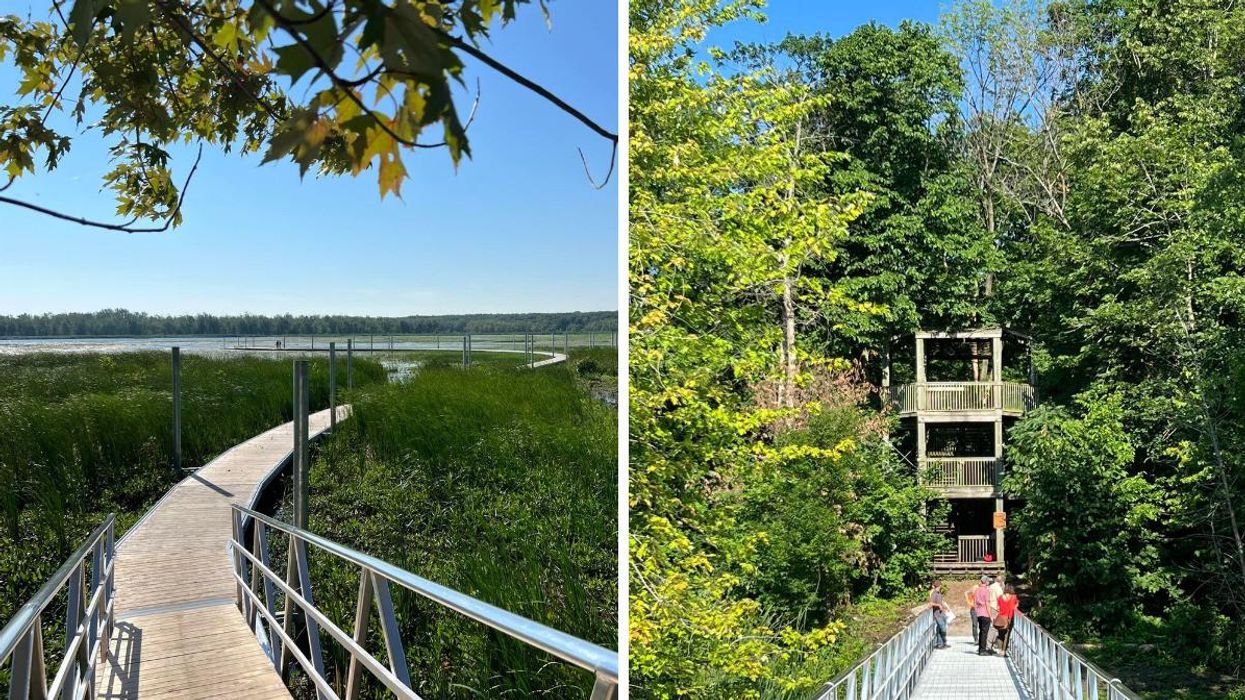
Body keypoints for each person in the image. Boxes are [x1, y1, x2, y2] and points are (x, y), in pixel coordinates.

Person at [995, 584, 1020, 656]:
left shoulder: (1000, 597)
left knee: (1000, 634)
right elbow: (1014, 607)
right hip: (1009, 618)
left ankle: (999, 650)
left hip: (1001, 618)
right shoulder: (1013, 597)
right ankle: (1003, 651)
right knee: (1007, 635)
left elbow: (998, 607)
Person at [973, 575, 994, 655]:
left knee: (981, 631)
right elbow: (987, 603)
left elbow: (975, 602)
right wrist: (990, 615)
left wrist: (977, 611)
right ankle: (983, 650)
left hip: (979, 613)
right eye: (988, 581)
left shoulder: (977, 590)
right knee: (985, 632)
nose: (989, 582)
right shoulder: (986, 591)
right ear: (986, 582)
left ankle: (980, 649)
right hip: (985, 613)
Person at [928, 580, 950, 649]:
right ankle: (940, 643)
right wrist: (938, 605)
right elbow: (931, 603)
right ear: (939, 586)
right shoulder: (934, 594)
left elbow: (942, 601)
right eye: (939, 585)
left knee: (940, 629)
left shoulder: (939, 593)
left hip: (942, 614)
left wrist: (946, 607)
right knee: (942, 628)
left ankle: (941, 643)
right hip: (937, 614)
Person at [988, 573, 1005, 648]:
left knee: (991, 626)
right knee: (994, 627)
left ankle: (989, 644)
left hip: (989, 607)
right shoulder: (998, 588)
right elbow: (1000, 599)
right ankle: (989, 645)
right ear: (1001, 582)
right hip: (995, 608)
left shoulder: (990, 587)